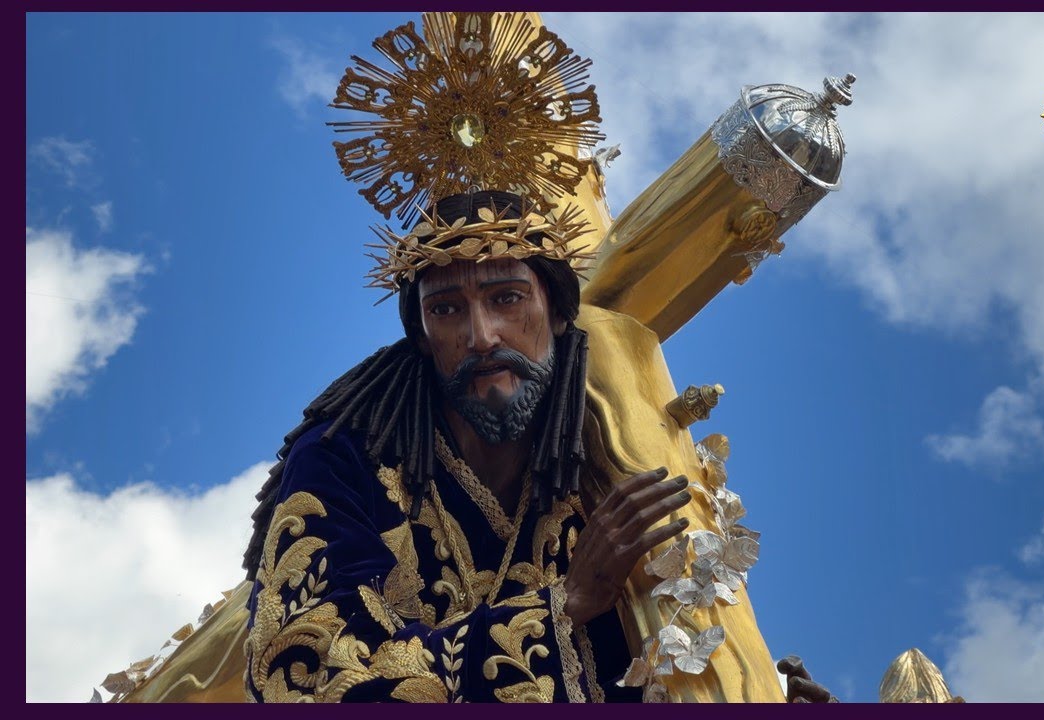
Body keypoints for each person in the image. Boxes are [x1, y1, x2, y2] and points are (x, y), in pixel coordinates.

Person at [239, 12, 836, 703]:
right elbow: (299, 676)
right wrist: (565, 607)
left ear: (555, 311)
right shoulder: (346, 454)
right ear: (422, 333)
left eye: (505, 298)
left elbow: (633, 666)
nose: (483, 335)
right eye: (448, 309)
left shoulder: (604, 450)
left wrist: (746, 681)